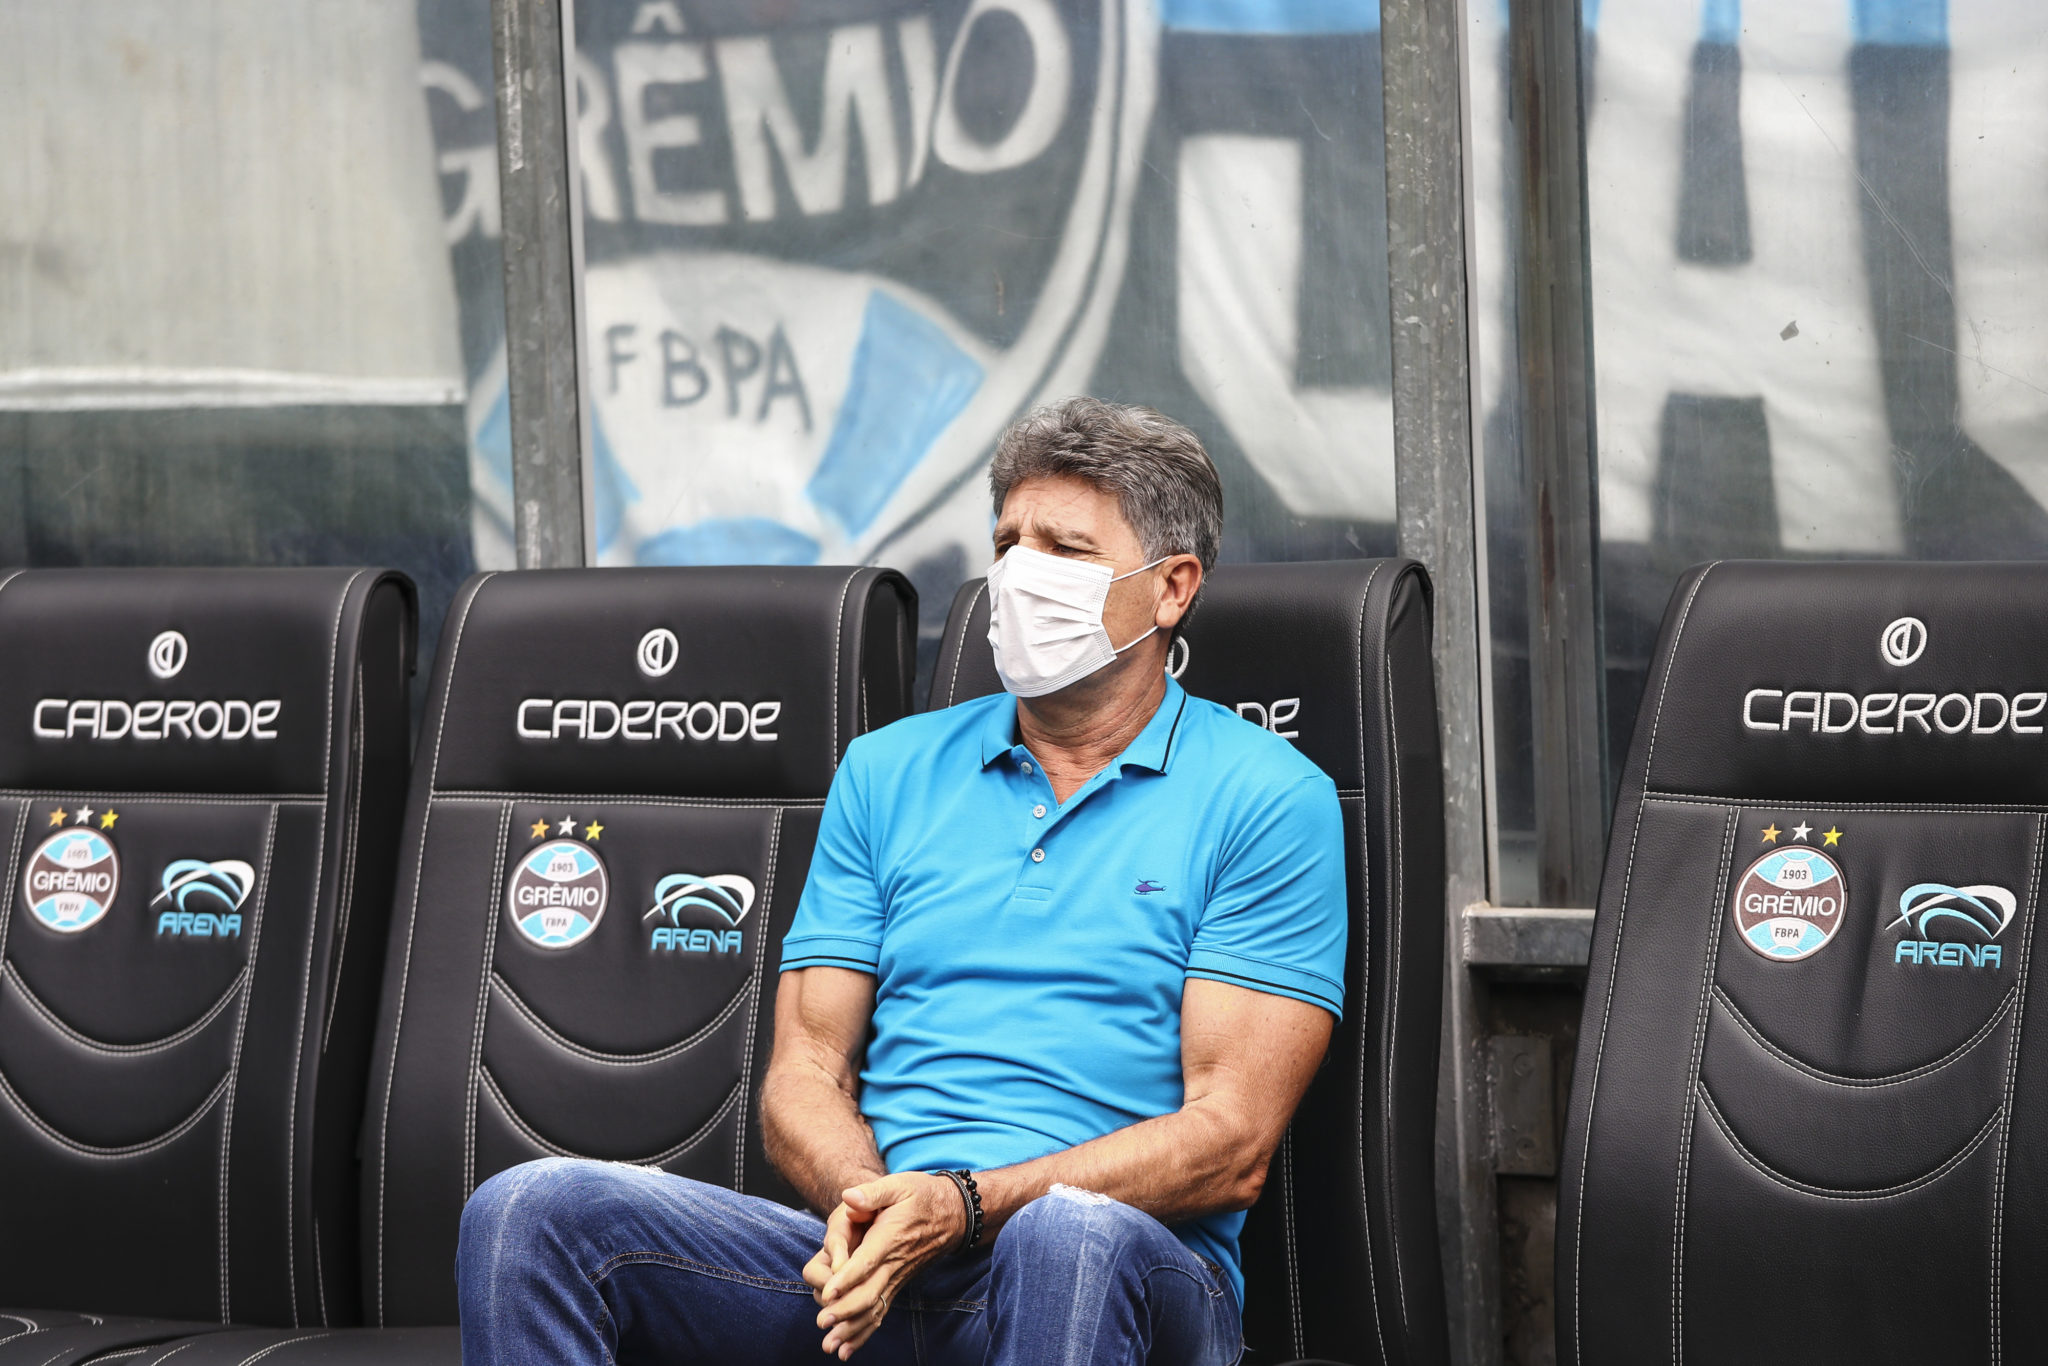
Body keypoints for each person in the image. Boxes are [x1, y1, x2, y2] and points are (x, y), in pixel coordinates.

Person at [456, 398, 1348, 1366]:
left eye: (1065, 547)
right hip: (887, 1254)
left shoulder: (1265, 796)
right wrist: (869, 1203)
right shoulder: (887, 769)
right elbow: (804, 1072)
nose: (1020, 574)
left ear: (1171, 588)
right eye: (1007, 540)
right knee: (535, 1211)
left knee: (1065, 1232)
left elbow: (1230, 1142)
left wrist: (967, 1204)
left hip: (1128, 1275)